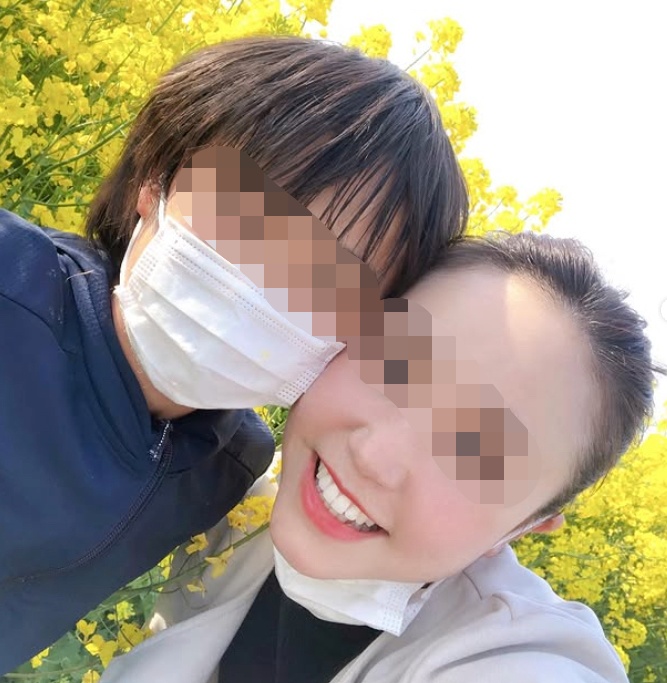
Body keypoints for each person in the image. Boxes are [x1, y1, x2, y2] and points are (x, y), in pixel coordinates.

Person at [0, 36, 468, 674]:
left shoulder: (230, 465)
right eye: (246, 216)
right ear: (155, 181)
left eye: (331, 279)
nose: (268, 281)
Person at [99, 231, 662, 683]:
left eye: (475, 451)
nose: (373, 454)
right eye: (396, 364)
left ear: (525, 526)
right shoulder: (224, 475)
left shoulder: (518, 659)